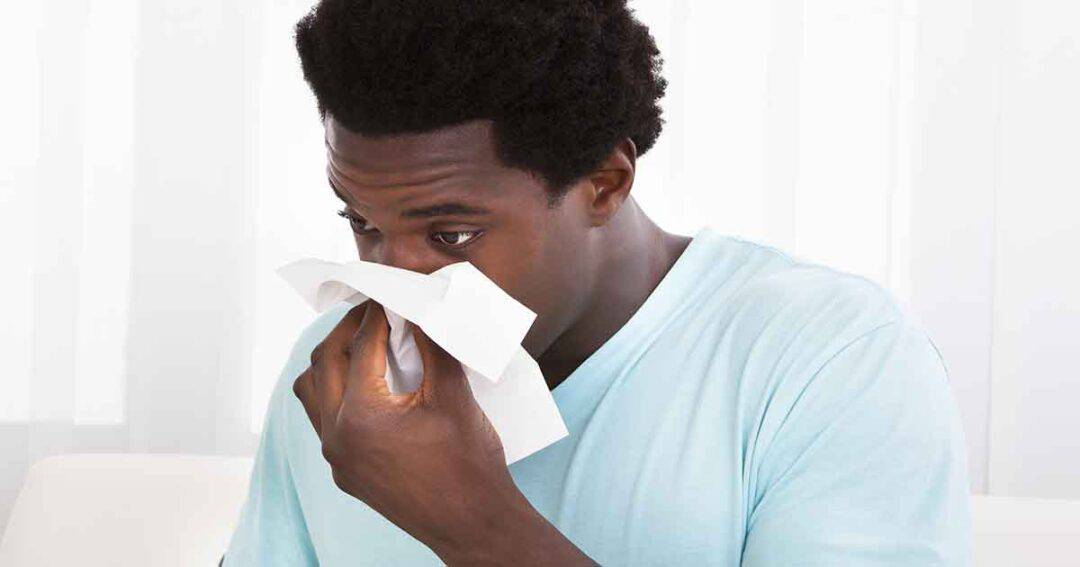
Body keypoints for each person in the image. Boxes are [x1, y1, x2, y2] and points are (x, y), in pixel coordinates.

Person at [223, 0, 972, 564]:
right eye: (362, 222)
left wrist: (471, 517)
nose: (391, 279)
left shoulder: (832, 362)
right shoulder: (336, 378)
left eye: (450, 235)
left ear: (605, 183)